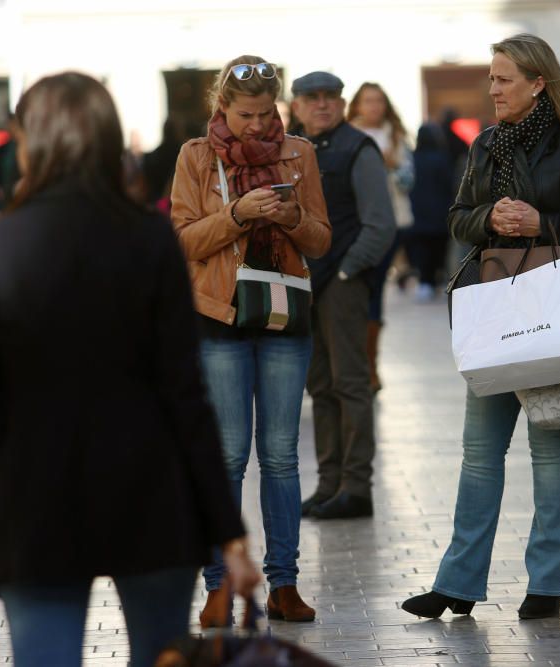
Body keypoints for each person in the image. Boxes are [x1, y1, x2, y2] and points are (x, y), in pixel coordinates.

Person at [0, 72, 260, 667]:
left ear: (29, 141)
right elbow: (184, 392)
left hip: (32, 500)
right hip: (150, 493)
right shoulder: (147, 239)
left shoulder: (6, 243)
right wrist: (229, 531)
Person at [400, 33, 560, 621]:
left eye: (503, 78)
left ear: (537, 83)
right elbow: (456, 220)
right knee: (479, 454)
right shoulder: (486, 146)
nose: (492, 88)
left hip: (554, 313)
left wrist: (541, 221)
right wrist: (487, 217)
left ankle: (545, 586)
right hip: (497, 308)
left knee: (550, 450)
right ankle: (457, 584)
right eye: (492, 78)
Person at [170, 55, 331, 626]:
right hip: (217, 318)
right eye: (246, 115)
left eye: (267, 114)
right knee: (228, 456)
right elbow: (183, 240)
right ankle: (218, 585)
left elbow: (320, 241)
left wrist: (290, 217)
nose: (259, 126)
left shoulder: (300, 153)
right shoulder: (195, 155)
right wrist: (238, 214)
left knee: (282, 457)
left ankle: (283, 585)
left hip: (286, 319)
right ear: (222, 107)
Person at [290, 71, 396, 521]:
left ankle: (357, 486)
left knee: (351, 384)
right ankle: (330, 483)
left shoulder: (358, 147)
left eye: (329, 97)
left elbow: (381, 223)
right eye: (311, 98)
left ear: (342, 102)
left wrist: (351, 271)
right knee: (320, 385)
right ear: (295, 105)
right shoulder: (293, 149)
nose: (321, 105)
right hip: (303, 284)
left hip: (342, 284)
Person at [347, 82, 411, 392]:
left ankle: (370, 364)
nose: (373, 107)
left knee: (374, 288)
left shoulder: (396, 136)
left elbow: (410, 180)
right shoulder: (348, 135)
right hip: (356, 224)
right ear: (357, 105)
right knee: (356, 290)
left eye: (378, 101)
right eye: (367, 101)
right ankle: (357, 362)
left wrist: (392, 167)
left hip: (392, 222)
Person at [408, 122, 454, 301]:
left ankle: (424, 282)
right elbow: (449, 186)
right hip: (440, 213)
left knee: (422, 249)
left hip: (417, 213)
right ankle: (437, 280)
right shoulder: (443, 158)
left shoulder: (413, 158)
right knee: (439, 248)